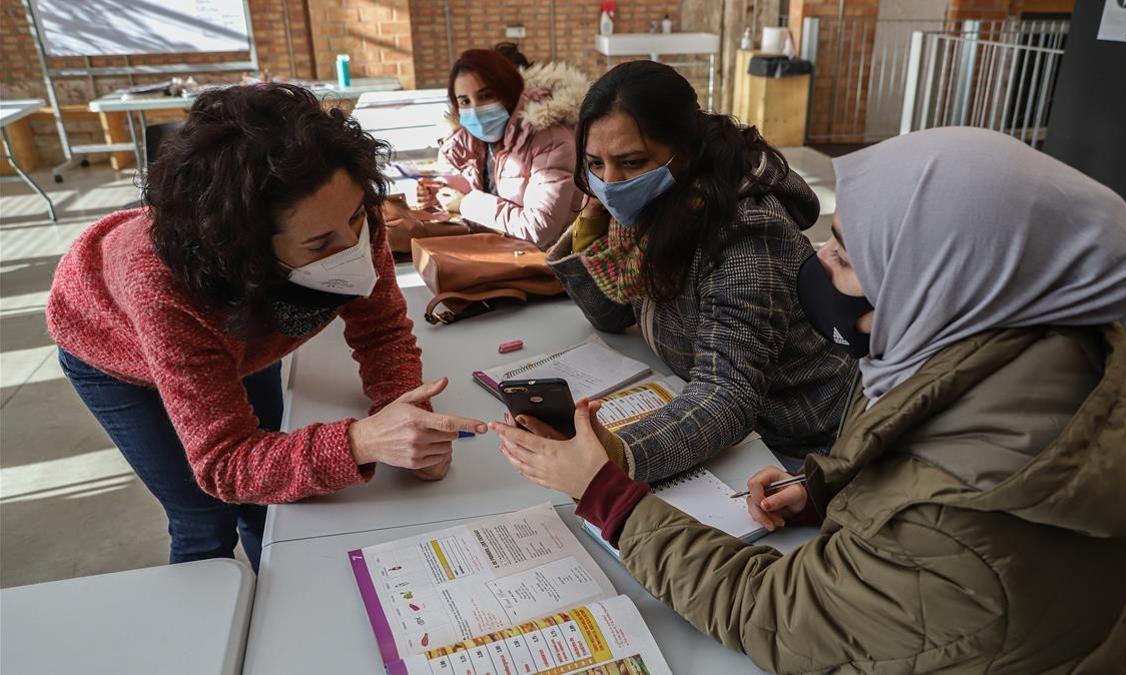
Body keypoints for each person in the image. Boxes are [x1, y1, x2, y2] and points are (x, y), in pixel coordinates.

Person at [495, 127, 1126, 672]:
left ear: (942, 284)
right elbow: (922, 450)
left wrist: (606, 495)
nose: (818, 266)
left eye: (849, 255)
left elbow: (777, 612)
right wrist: (825, 485)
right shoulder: (1044, 351)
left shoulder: (962, 524)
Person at [47, 84, 487, 571]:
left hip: (236, 333)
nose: (354, 248)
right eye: (320, 245)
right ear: (248, 254)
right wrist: (362, 440)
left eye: (358, 218)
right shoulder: (166, 291)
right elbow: (225, 462)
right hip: (111, 349)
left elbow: (380, 329)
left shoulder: (340, 211)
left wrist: (407, 416)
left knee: (270, 502)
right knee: (202, 516)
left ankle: (273, 588)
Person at [532, 61, 854, 482]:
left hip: (795, 444)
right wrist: (590, 229)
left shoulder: (744, 232)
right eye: (595, 164)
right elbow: (611, 314)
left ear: (684, 151)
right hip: (709, 407)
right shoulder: (653, 204)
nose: (609, 182)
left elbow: (728, 393)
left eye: (631, 162)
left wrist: (616, 456)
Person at [417, 48, 587, 249]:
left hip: (548, 269)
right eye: (465, 101)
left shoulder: (549, 139)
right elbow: (495, 188)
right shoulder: (481, 141)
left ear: (508, 92)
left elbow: (538, 229)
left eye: (486, 95)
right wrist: (443, 189)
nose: (476, 110)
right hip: (503, 257)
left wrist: (465, 204)